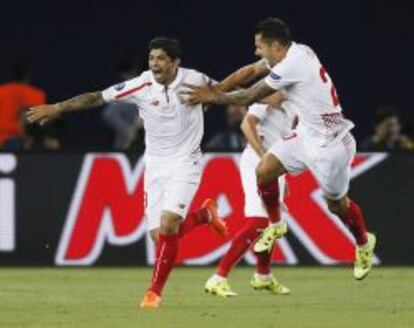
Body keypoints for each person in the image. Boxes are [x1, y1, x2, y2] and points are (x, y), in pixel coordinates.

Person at [27, 37, 228, 309]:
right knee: (161, 237)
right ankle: (205, 215)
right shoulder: (141, 85)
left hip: (186, 162)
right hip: (155, 165)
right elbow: (98, 97)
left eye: (160, 58)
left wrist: (260, 95)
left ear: (175, 62)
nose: (154, 63)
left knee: (169, 224)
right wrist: (58, 107)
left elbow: (227, 90)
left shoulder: (194, 79)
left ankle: (153, 293)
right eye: (151, 58)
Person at [180, 18, 376, 281]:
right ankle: (276, 223)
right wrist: (215, 88)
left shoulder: (293, 64)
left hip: (331, 144)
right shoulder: (292, 52)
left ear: (275, 46)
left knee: (337, 205)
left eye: (259, 46)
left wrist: (212, 97)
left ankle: (363, 243)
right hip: (306, 132)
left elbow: (249, 96)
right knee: (264, 171)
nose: (256, 51)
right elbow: (248, 72)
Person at [205, 98, 296, 297]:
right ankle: (218, 278)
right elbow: (246, 124)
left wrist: (282, 174)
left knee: (271, 223)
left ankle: (263, 276)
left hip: (275, 166)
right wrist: (264, 158)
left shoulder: (292, 105)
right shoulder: (268, 95)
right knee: (258, 222)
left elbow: (282, 142)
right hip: (258, 162)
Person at [0, 62, 46, 146]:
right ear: (28, 76)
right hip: (23, 144)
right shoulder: (37, 95)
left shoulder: (1, 92)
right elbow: (39, 122)